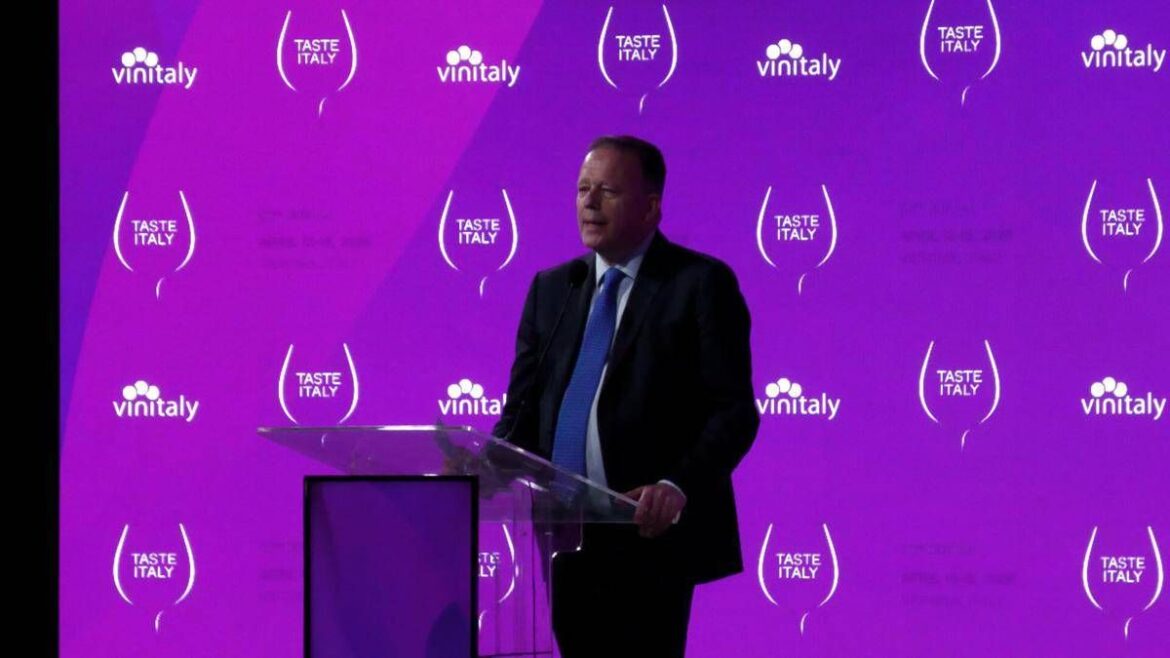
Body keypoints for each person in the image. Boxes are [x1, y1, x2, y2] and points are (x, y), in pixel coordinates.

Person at [492, 135, 759, 657]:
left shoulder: (699, 284)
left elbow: (733, 412)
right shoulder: (554, 288)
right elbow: (521, 410)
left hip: (648, 531)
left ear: (650, 208)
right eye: (582, 190)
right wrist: (485, 462)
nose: (589, 203)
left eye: (608, 191)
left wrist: (676, 484)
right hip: (565, 532)